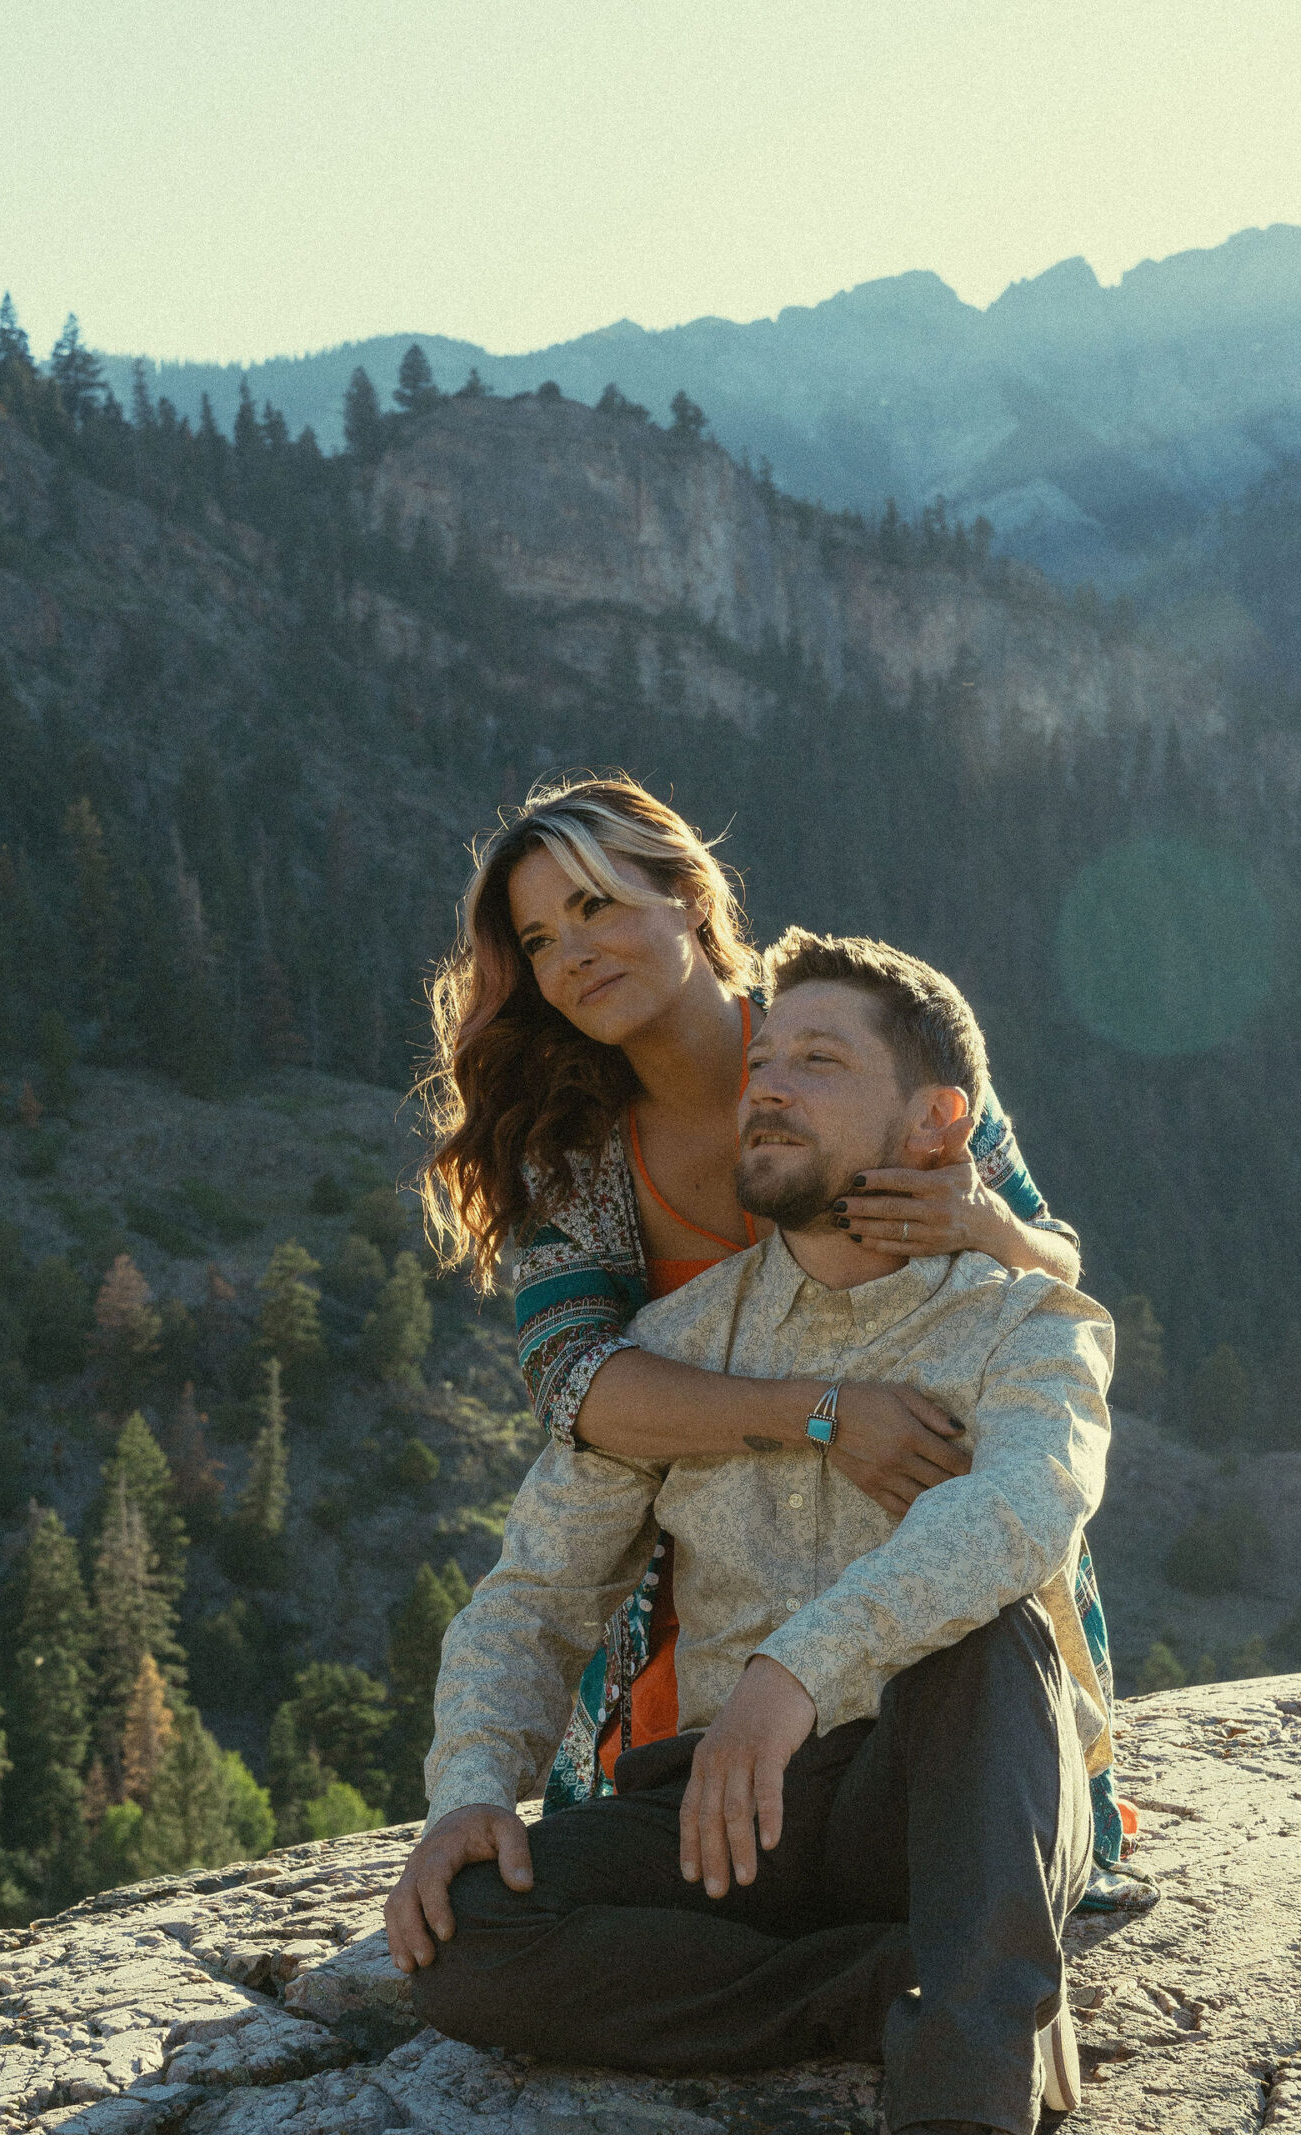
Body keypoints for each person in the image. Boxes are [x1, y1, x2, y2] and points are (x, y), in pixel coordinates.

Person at [388, 930, 1113, 2135]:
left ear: (933, 1122)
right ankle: (882, 1993)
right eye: (759, 1062)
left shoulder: (1027, 1319)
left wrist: (799, 1667)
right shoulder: (686, 1341)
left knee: (987, 1636)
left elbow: (1022, 1515)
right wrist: (470, 1783)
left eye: (815, 1063)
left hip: (940, 1784)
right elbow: (535, 1589)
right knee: (461, 1932)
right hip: (734, 1812)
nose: (763, 1088)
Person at [420, 775, 1127, 1875]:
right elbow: (575, 1389)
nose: (572, 955)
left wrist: (986, 1221)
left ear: (690, 898)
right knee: (710, 1848)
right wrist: (824, 1417)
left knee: (971, 1716)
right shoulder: (576, 1148)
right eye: (541, 939)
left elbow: (1060, 1280)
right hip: (717, 1564)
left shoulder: (853, 1027)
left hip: (924, 1523)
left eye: (597, 907)